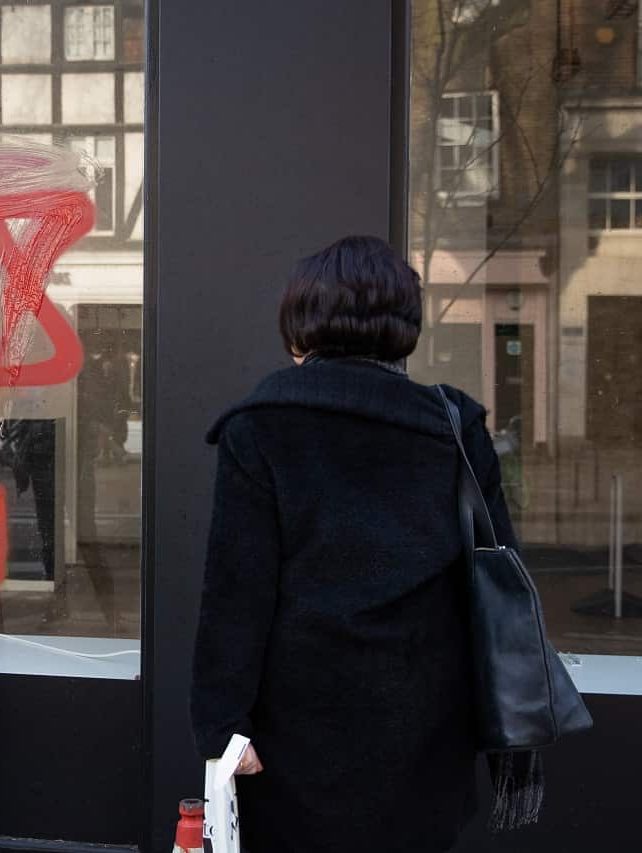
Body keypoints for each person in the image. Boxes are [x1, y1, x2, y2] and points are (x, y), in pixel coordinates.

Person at [191, 236, 515, 852]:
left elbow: (237, 593)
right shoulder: (455, 426)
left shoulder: (260, 427)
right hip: (429, 723)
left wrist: (222, 726)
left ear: (301, 326)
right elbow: (497, 575)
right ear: (404, 326)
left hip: (295, 733)